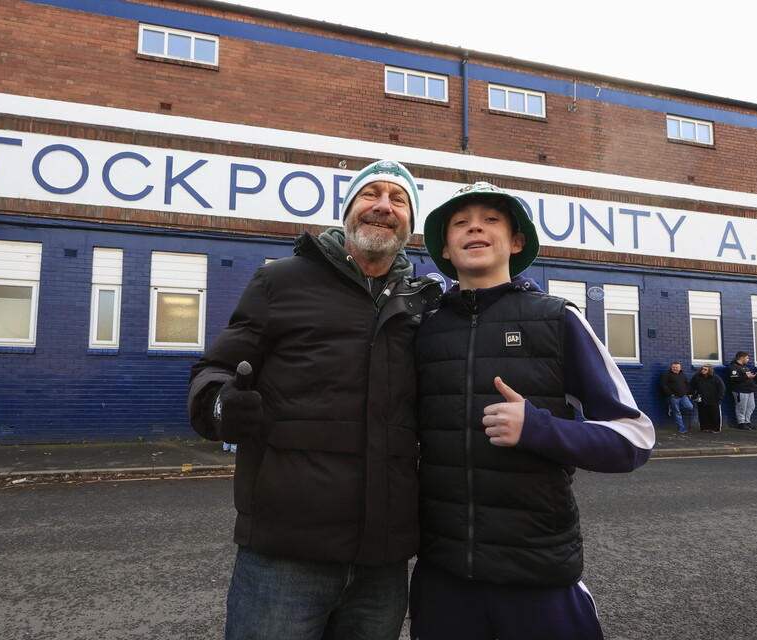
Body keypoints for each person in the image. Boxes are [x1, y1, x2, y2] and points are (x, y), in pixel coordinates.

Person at [186, 159, 442, 640]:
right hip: (284, 559)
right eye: (371, 194)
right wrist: (223, 404)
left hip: (382, 565)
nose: (383, 207)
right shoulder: (280, 281)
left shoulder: (423, 303)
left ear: (411, 222)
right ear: (347, 210)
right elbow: (213, 371)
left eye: (398, 199)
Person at [411, 181, 656, 640]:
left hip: (538, 578)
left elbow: (635, 438)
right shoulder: (422, 329)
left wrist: (541, 429)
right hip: (442, 579)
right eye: (460, 223)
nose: (474, 229)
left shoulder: (557, 317)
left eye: (490, 220)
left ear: (516, 240)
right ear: (445, 247)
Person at [658, 361, 694, 434]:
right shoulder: (666, 375)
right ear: (671, 367)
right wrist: (670, 394)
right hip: (673, 397)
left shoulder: (682, 374)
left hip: (683, 396)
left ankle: (672, 408)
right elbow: (662, 385)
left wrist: (687, 392)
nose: (675, 369)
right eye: (673, 367)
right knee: (677, 413)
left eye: (676, 367)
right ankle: (681, 428)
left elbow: (687, 383)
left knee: (690, 407)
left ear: (680, 368)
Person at [726, 351, 757, 429]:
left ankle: (747, 421)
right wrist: (747, 377)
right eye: (747, 358)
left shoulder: (745, 367)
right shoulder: (734, 367)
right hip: (740, 390)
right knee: (741, 407)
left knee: (751, 406)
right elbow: (734, 378)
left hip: (749, 390)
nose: (748, 360)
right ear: (742, 358)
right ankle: (741, 422)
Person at [689, 364, 725, 432]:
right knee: (702, 413)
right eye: (702, 369)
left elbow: (721, 388)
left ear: (709, 370)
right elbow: (691, 385)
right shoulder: (697, 377)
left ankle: (715, 428)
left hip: (713, 398)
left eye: (705, 369)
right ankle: (704, 428)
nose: (703, 371)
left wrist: (719, 397)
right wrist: (691, 393)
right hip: (700, 397)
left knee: (714, 414)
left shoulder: (715, 378)